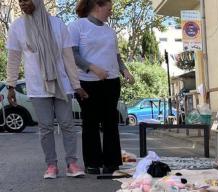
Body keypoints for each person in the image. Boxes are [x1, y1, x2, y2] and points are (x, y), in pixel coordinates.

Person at [5, 0, 88, 179]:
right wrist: (11, 86)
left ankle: (72, 163)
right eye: (20, 1)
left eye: (26, 0)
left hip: (62, 84)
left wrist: (76, 85)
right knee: (45, 127)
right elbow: (13, 58)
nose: (22, 4)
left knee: (67, 124)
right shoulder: (17, 27)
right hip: (37, 85)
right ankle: (51, 165)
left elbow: (68, 58)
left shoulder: (57, 24)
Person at [69, 0, 134, 175]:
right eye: (109, 8)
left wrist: (125, 71)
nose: (110, 12)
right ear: (98, 6)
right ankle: (92, 162)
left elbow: (116, 56)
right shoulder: (77, 27)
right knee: (90, 121)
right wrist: (93, 68)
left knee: (110, 121)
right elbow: (73, 54)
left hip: (112, 82)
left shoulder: (110, 31)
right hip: (87, 82)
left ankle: (111, 163)